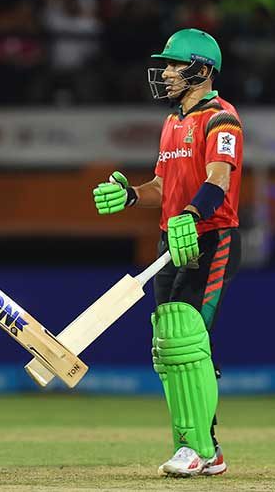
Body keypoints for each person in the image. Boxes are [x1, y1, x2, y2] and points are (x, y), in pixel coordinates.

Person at [92, 28, 243, 477]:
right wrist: (133, 196)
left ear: (202, 69)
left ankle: (198, 448)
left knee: (187, 341)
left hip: (210, 238)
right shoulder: (174, 120)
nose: (167, 73)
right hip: (169, 241)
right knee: (169, 346)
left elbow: (218, 180)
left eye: (175, 65)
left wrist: (191, 215)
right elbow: (163, 185)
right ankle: (200, 447)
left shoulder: (222, 119)